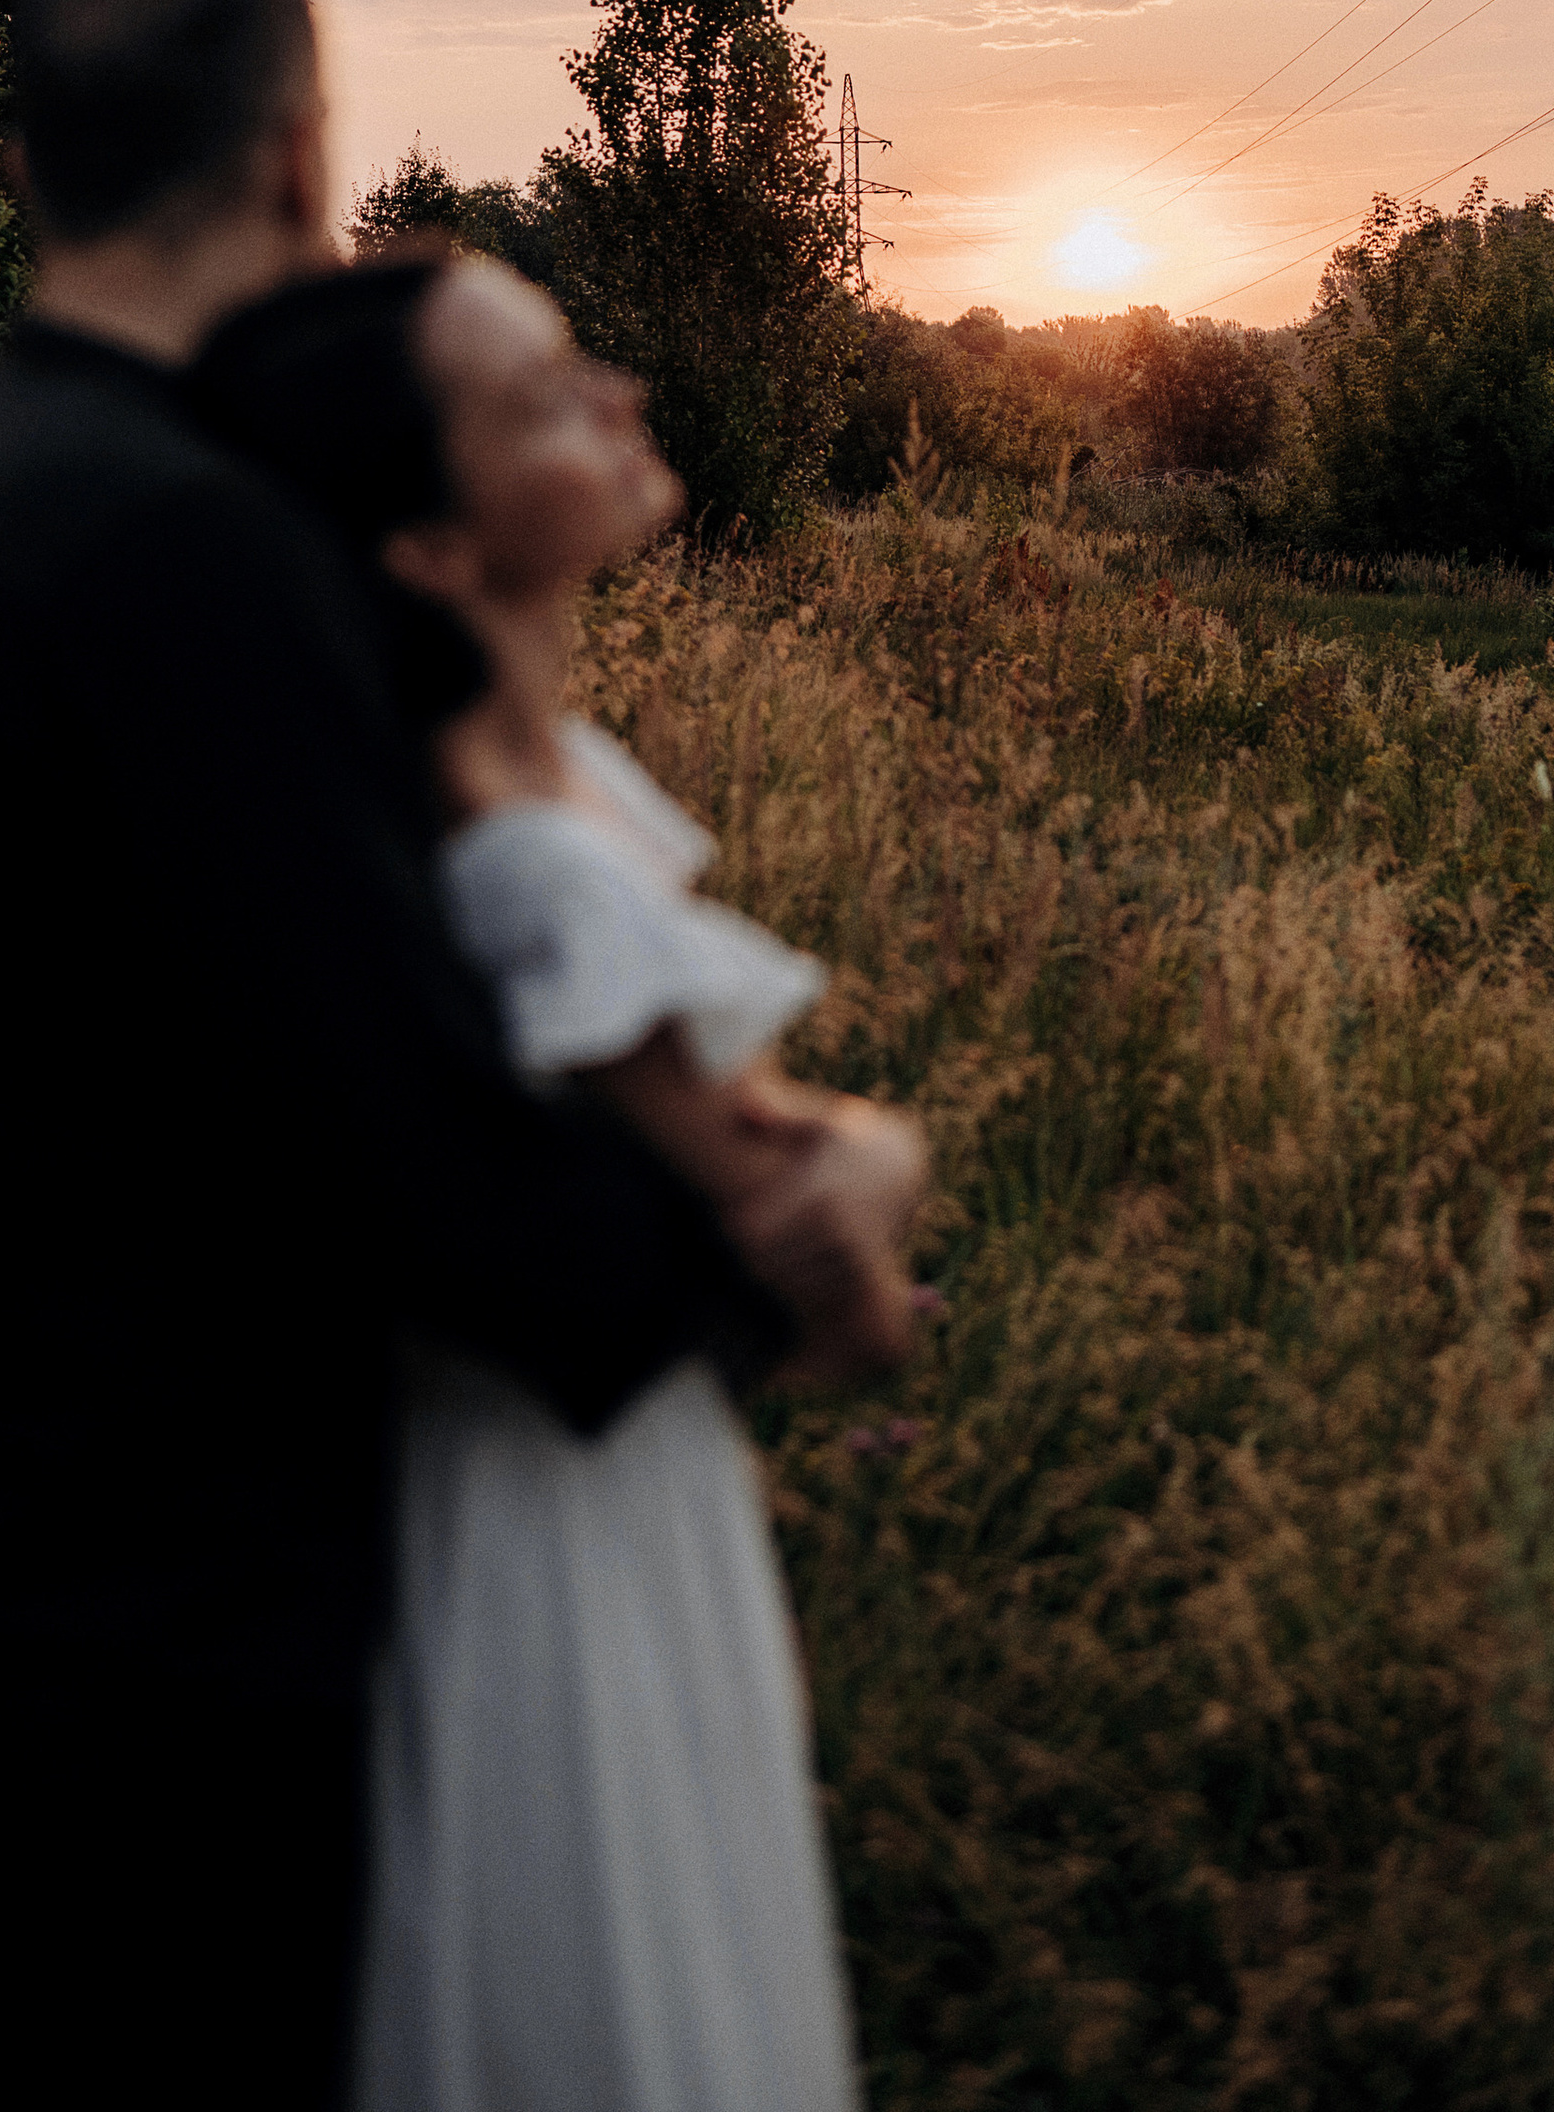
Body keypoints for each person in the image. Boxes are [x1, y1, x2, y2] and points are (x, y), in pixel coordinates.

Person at [0, 0, 912, 2112]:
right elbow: (401, 1140)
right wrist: (774, 1267)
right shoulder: (183, 547)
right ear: (300, 160)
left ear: (24, 157)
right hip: (167, 1632)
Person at [189, 250, 924, 2112]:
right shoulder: (517, 858)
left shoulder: (556, 776)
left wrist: (846, 1156)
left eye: (587, 361)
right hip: (553, 1528)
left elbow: (760, 1146)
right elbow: (810, 1256)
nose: (621, 399)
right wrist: (867, 1178)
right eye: (539, 400)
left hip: (590, 1474)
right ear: (428, 547)